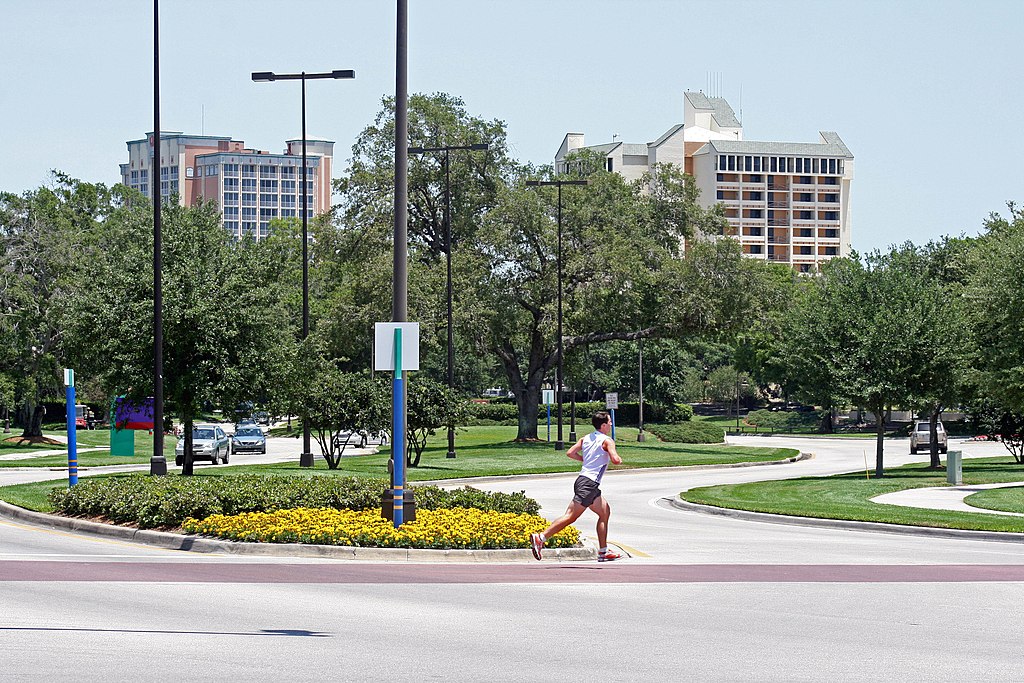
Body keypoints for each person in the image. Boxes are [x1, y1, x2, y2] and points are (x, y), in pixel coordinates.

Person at [530, 410, 623, 562]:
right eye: (610, 422)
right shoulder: (607, 441)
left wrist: (586, 461)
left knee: (605, 512)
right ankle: (541, 537)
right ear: (604, 425)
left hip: (585, 481)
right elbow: (615, 459)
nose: (611, 424)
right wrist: (618, 458)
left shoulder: (585, 438)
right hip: (589, 484)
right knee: (570, 516)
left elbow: (570, 453)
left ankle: (603, 552)